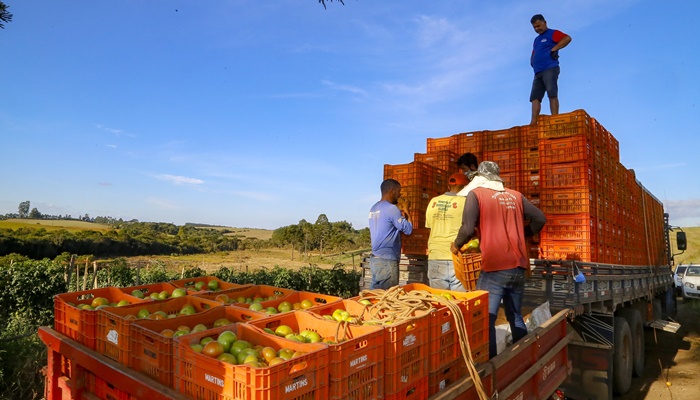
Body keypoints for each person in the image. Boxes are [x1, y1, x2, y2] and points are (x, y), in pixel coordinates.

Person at [450, 161, 546, 358]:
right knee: (515, 315)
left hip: (494, 268)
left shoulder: (476, 194)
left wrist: (456, 245)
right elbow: (540, 219)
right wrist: (523, 233)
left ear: (479, 178)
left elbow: (468, 228)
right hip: (518, 267)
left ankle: (492, 364)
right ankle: (523, 357)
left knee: (486, 320)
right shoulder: (516, 196)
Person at [425, 173, 470, 291]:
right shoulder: (465, 202)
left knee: (441, 302)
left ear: (448, 186)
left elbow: (429, 227)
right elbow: (469, 228)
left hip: (435, 256)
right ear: (465, 187)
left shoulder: (433, 202)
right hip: (456, 255)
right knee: (459, 302)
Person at [368, 179, 413, 289]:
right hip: (387, 261)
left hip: (375, 259)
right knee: (388, 297)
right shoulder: (391, 209)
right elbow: (408, 229)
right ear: (391, 191)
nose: (400, 194)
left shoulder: (374, 208)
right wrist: (406, 210)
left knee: (374, 296)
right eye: (398, 191)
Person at [529, 14, 572, 125]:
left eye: (539, 26)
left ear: (545, 22)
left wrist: (554, 49)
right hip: (538, 72)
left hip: (550, 68)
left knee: (551, 93)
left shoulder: (552, 33)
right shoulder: (536, 40)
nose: (537, 29)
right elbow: (535, 51)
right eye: (535, 27)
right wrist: (532, 60)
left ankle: (555, 119)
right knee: (535, 97)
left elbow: (567, 38)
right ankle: (533, 123)